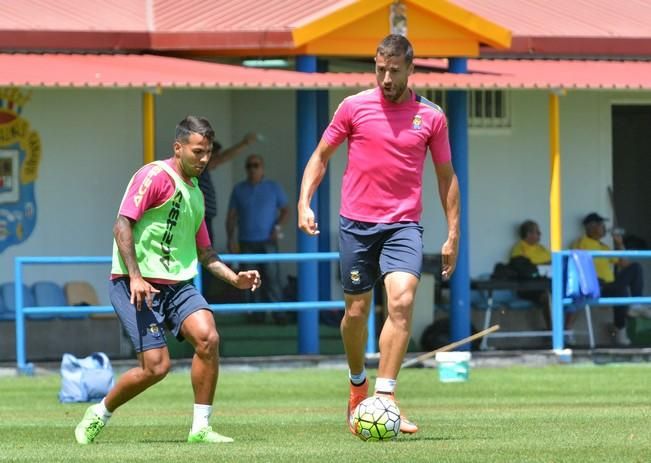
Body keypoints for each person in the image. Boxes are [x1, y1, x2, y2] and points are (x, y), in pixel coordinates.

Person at [297, 34, 459, 436]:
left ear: (410, 68)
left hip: (404, 225)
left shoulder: (432, 117)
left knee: (402, 301)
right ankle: (358, 385)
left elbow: (445, 176)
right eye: (380, 69)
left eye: (394, 70)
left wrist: (453, 233)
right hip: (356, 224)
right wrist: (304, 202)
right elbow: (320, 157)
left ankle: (386, 398)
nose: (386, 78)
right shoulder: (353, 107)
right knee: (355, 313)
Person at [74, 116, 261, 445]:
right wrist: (135, 277)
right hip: (135, 285)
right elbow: (121, 226)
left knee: (208, 338)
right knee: (156, 368)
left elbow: (206, 254)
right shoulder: (154, 176)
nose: (204, 160)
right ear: (178, 147)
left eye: (208, 153)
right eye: (198, 152)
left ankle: (200, 428)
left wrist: (235, 279)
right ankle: (99, 413)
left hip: (176, 287)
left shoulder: (197, 195)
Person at [226, 154, 289, 324]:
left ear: (262, 168)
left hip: (268, 241)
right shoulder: (239, 189)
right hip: (246, 241)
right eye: (249, 166)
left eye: (256, 165)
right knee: (249, 279)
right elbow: (231, 216)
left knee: (272, 277)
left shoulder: (273, 187)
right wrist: (230, 238)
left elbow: (286, 210)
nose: (253, 169)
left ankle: (278, 312)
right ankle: (255, 313)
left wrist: (277, 228)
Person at [571, 212, 651, 346]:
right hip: (595, 285)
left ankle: (636, 305)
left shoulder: (604, 246)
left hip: (609, 285)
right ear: (592, 227)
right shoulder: (582, 242)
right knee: (621, 291)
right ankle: (620, 330)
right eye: (601, 225)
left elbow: (625, 264)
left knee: (635, 268)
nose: (604, 228)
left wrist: (619, 244)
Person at [198, 132, 257, 296]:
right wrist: (244, 143)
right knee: (206, 258)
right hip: (201, 220)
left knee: (208, 256)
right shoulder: (200, 167)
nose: (213, 157)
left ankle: (205, 295)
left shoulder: (203, 171)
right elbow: (223, 158)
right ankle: (203, 295)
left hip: (205, 219)